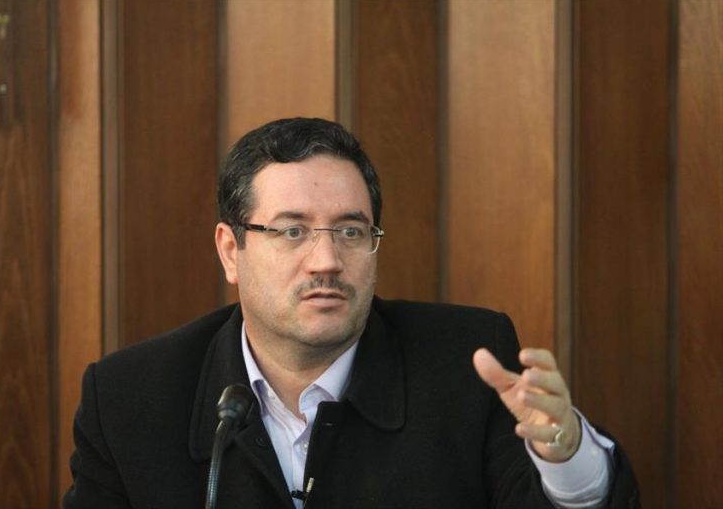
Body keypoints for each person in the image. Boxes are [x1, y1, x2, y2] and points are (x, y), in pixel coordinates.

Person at [63, 118, 639, 508]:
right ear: (231, 251)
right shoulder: (128, 398)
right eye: (292, 231)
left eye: (350, 231)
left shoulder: (466, 363)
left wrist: (564, 454)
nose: (327, 261)